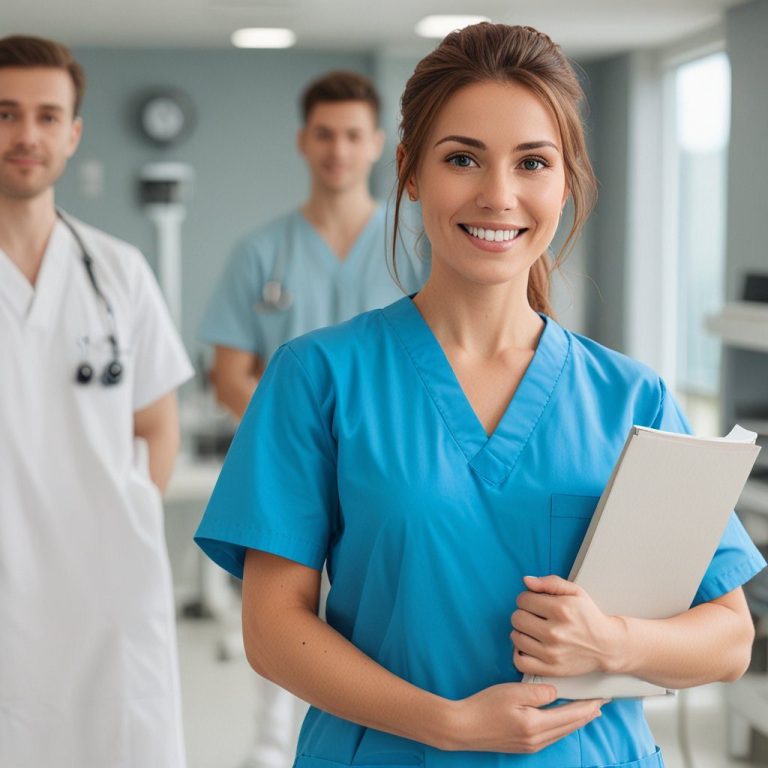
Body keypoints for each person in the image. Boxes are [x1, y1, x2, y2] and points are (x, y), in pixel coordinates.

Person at [195, 23, 766, 768]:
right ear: (409, 171)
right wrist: (450, 725)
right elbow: (273, 629)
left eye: (533, 162)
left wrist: (613, 641)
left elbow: (727, 637)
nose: (498, 196)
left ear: (567, 181)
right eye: (462, 158)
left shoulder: (632, 396)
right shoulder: (319, 376)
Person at [198, 70, 427, 768]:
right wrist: (306, 438)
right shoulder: (261, 252)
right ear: (304, 140)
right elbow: (229, 373)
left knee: (385, 621)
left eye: (353, 135)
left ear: (379, 145)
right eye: (324, 134)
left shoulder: (419, 239)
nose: (338, 149)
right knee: (284, 623)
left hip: (394, 470)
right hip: (292, 474)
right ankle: (275, 749)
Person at [0, 35, 192, 767]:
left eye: (47, 116)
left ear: (74, 134)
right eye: (7, 113)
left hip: (108, 587)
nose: (27, 135)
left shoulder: (118, 271)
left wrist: (131, 512)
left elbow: (156, 420)